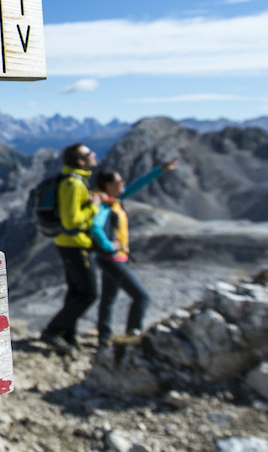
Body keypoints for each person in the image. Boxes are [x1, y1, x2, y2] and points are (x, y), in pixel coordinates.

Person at [89, 158, 179, 347]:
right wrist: (108, 246)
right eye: (119, 182)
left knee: (108, 300)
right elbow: (95, 227)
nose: (123, 184)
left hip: (114, 258)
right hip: (112, 258)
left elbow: (138, 185)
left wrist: (159, 170)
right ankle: (132, 333)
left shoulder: (115, 200)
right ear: (108, 185)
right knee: (141, 296)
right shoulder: (104, 205)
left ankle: (104, 337)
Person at [39, 143, 101, 352]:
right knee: (89, 293)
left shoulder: (73, 179)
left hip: (69, 244)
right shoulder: (73, 184)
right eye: (89, 153)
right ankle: (53, 331)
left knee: (76, 291)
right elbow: (71, 220)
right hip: (74, 244)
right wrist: (93, 207)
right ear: (81, 161)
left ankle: (67, 334)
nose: (94, 154)